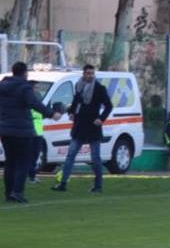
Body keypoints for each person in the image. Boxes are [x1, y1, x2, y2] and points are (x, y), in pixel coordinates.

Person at [0, 62, 60, 203]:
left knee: (10, 162)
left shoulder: (3, 86)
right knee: (23, 162)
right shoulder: (24, 87)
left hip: (5, 129)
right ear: (24, 72)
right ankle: (17, 191)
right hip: (22, 130)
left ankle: (8, 193)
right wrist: (51, 114)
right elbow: (34, 103)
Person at [52, 64, 113, 193]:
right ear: (83, 74)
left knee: (95, 158)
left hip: (93, 127)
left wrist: (101, 119)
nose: (90, 75)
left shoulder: (99, 88)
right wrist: (71, 112)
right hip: (79, 126)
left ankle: (98, 185)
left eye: (92, 73)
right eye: (88, 73)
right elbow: (76, 102)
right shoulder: (78, 86)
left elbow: (109, 106)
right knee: (70, 155)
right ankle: (63, 183)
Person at [27, 81, 46, 184]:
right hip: (30, 131)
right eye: (36, 88)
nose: (37, 90)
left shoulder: (37, 99)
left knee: (35, 155)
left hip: (38, 131)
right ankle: (30, 176)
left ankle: (32, 176)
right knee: (30, 155)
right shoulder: (28, 100)